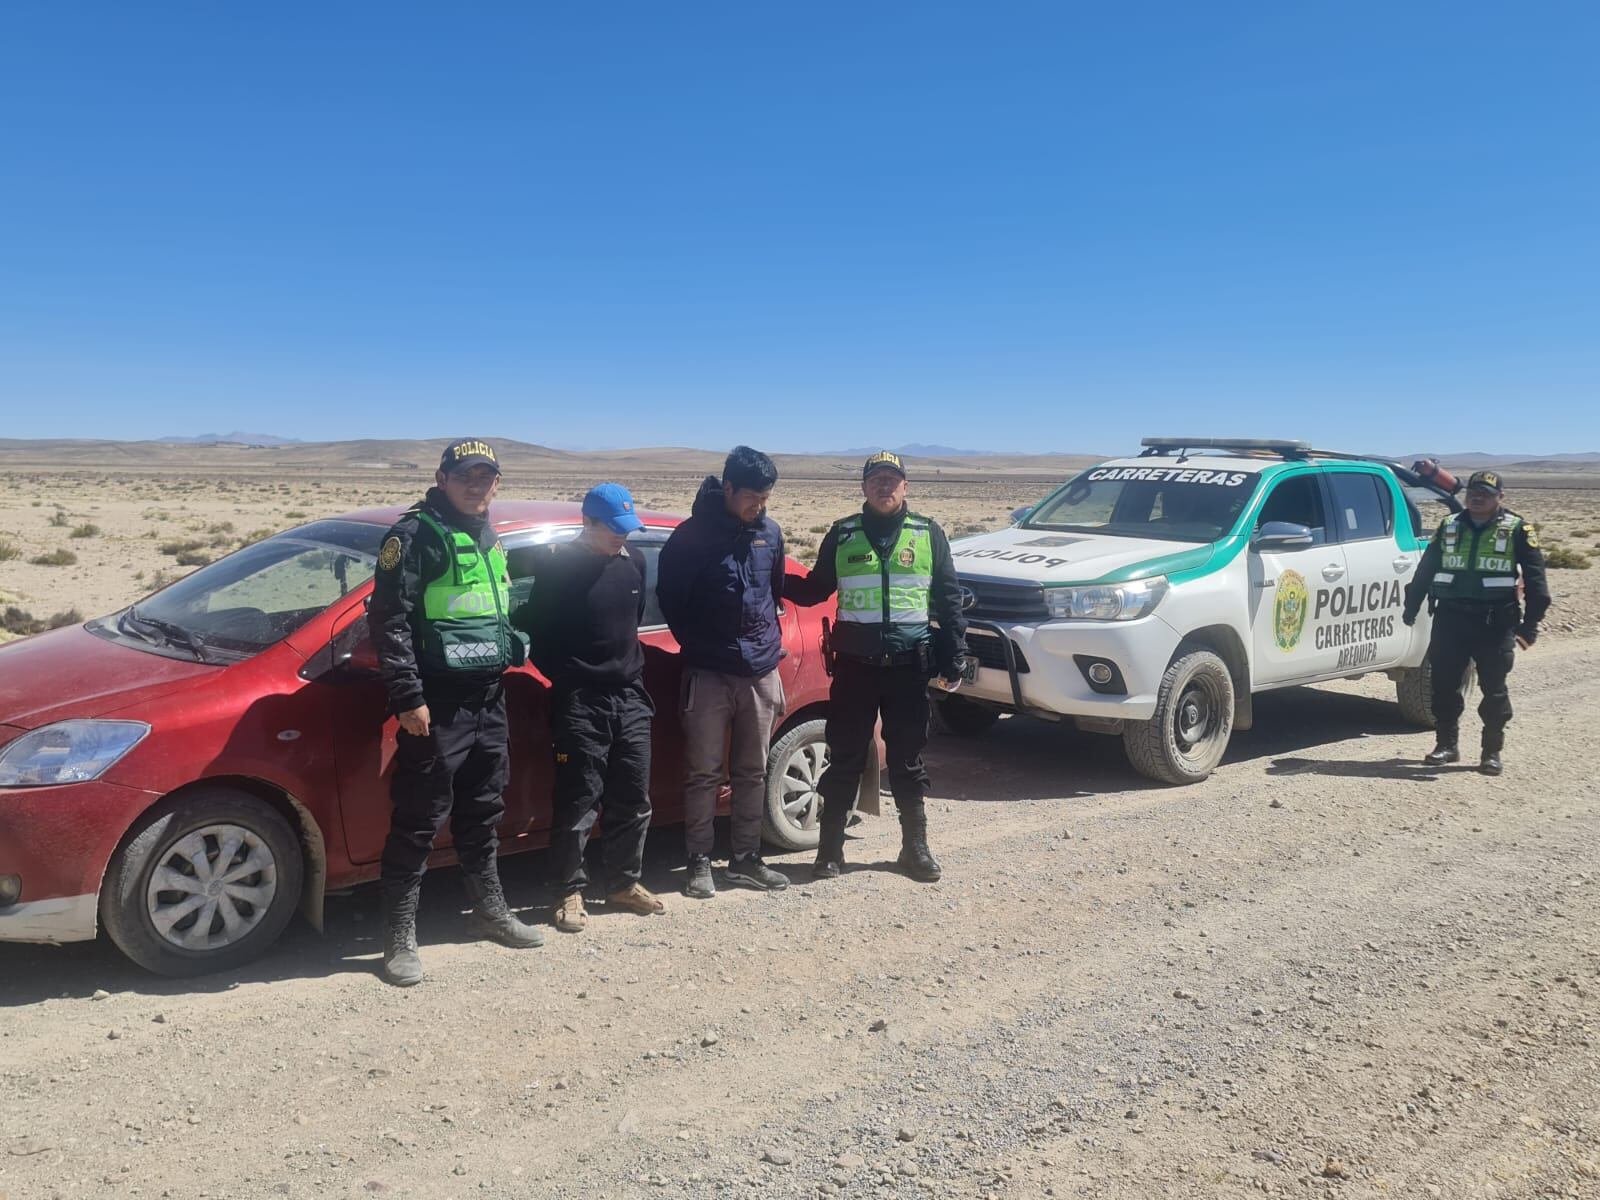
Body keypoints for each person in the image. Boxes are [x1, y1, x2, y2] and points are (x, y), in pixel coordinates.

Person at [369, 438, 544, 987]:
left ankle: (488, 911)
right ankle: (398, 935)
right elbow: (389, 620)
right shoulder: (414, 535)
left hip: (489, 697)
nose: (477, 484)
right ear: (442, 478)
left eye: (486, 475)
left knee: (484, 811)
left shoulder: (489, 533)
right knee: (419, 819)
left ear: (498, 481)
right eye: (466, 474)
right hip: (436, 705)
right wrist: (407, 696)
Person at [783, 451, 968, 880]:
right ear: (864, 488)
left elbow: (949, 598)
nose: (884, 486)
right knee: (845, 756)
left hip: (909, 668)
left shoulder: (927, 534)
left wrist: (955, 655)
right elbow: (815, 590)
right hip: (855, 669)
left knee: (907, 761)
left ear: (905, 486)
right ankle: (829, 851)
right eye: (876, 480)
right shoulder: (844, 534)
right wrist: (769, 573)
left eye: (892, 479)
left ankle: (914, 849)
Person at [512, 483, 664, 932]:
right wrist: (573, 676)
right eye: (613, 529)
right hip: (580, 700)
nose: (623, 537)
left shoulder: (633, 561)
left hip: (631, 696)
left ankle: (622, 883)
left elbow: (629, 627)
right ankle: (567, 891)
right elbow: (538, 633)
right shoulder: (560, 569)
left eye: (627, 529)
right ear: (588, 523)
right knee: (579, 800)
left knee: (634, 796)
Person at [656, 446, 790, 898]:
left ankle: (746, 859)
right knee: (704, 773)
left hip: (760, 670)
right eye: (752, 496)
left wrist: (764, 646)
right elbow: (671, 601)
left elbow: (774, 591)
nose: (760, 506)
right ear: (728, 488)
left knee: (752, 771)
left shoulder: (769, 533)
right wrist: (703, 644)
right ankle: (698, 861)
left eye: (766, 497)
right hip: (709, 673)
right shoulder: (691, 537)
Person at [1402, 469, 1551, 776]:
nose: (1477, 497)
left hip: (1495, 623)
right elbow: (1426, 570)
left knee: (1493, 690)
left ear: (1501, 498)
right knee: (1443, 687)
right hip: (1450, 618)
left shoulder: (1518, 530)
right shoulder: (1448, 526)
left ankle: (1491, 752)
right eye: (1473, 492)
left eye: (1485, 493)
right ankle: (1446, 745)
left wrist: (1529, 627)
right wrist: (1411, 605)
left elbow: (1537, 584)